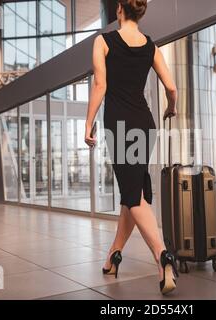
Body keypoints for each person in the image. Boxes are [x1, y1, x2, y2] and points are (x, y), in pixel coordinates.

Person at [84, 0, 178, 294]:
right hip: (144, 123)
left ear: (119, 9)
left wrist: (88, 124)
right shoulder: (150, 46)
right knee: (132, 189)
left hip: (119, 125)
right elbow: (172, 88)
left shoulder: (104, 41)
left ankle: (162, 257)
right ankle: (113, 255)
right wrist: (170, 109)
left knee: (133, 193)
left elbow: (100, 85)